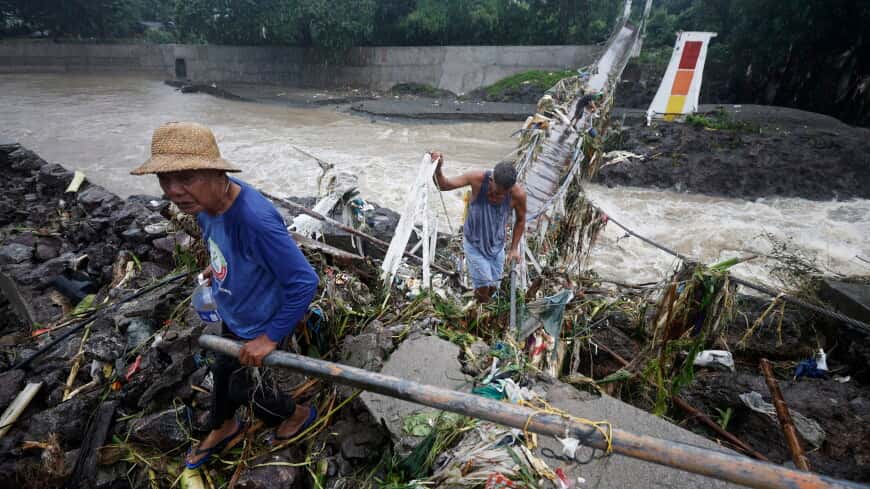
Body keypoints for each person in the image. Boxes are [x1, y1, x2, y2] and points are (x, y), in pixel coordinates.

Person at [131, 122, 320, 468]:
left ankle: (299, 413)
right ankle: (226, 425)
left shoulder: (255, 220)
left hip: (261, 320)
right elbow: (219, 240)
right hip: (236, 309)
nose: (173, 190)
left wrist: (270, 338)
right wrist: (216, 265)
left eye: (185, 177)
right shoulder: (204, 204)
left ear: (217, 173)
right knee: (223, 371)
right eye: (164, 179)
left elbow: (305, 281)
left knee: (242, 387)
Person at [431, 152, 527, 303]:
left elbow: (521, 221)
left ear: (510, 189)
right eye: (496, 192)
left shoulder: (518, 195)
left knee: (494, 287)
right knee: (483, 286)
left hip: (497, 245)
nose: (498, 197)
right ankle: (478, 314)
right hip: (474, 243)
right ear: (491, 180)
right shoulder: (476, 179)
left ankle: (483, 311)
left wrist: (514, 249)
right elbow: (443, 185)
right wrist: (437, 169)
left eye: (503, 194)